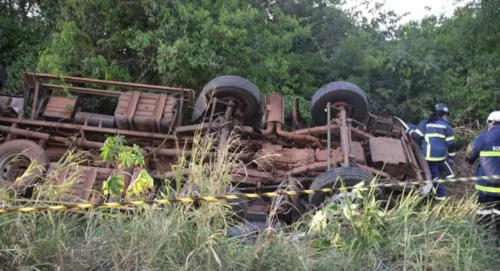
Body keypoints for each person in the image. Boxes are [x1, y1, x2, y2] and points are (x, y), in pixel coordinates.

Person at [408, 103, 456, 200]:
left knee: (434, 175)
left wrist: (410, 131)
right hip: (442, 157)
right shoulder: (447, 127)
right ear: (444, 114)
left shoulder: (425, 123)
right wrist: (451, 158)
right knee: (440, 167)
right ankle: (449, 173)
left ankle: (440, 195)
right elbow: (451, 144)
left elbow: (417, 137)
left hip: (430, 156)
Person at [465, 111, 500, 234]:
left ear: (492, 122)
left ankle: (483, 241)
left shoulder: (485, 137)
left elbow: (470, 153)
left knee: (483, 215)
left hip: (485, 186)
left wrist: (470, 160)